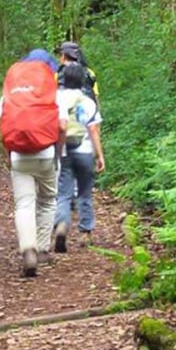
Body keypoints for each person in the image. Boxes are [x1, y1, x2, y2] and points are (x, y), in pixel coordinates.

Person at [0, 49, 67, 277]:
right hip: (46, 152)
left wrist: (8, 154)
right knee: (47, 200)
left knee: (24, 204)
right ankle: (43, 249)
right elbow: (63, 126)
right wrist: (58, 149)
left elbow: (2, 121)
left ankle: (28, 249)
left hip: (18, 154)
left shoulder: (13, 90)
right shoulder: (54, 89)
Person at [53, 62, 105, 252]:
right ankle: (85, 232)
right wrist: (100, 155)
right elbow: (94, 129)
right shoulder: (88, 101)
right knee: (85, 191)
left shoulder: (56, 99)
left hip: (63, 149)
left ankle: (61, 225)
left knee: (64, 193)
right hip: (84, 149)